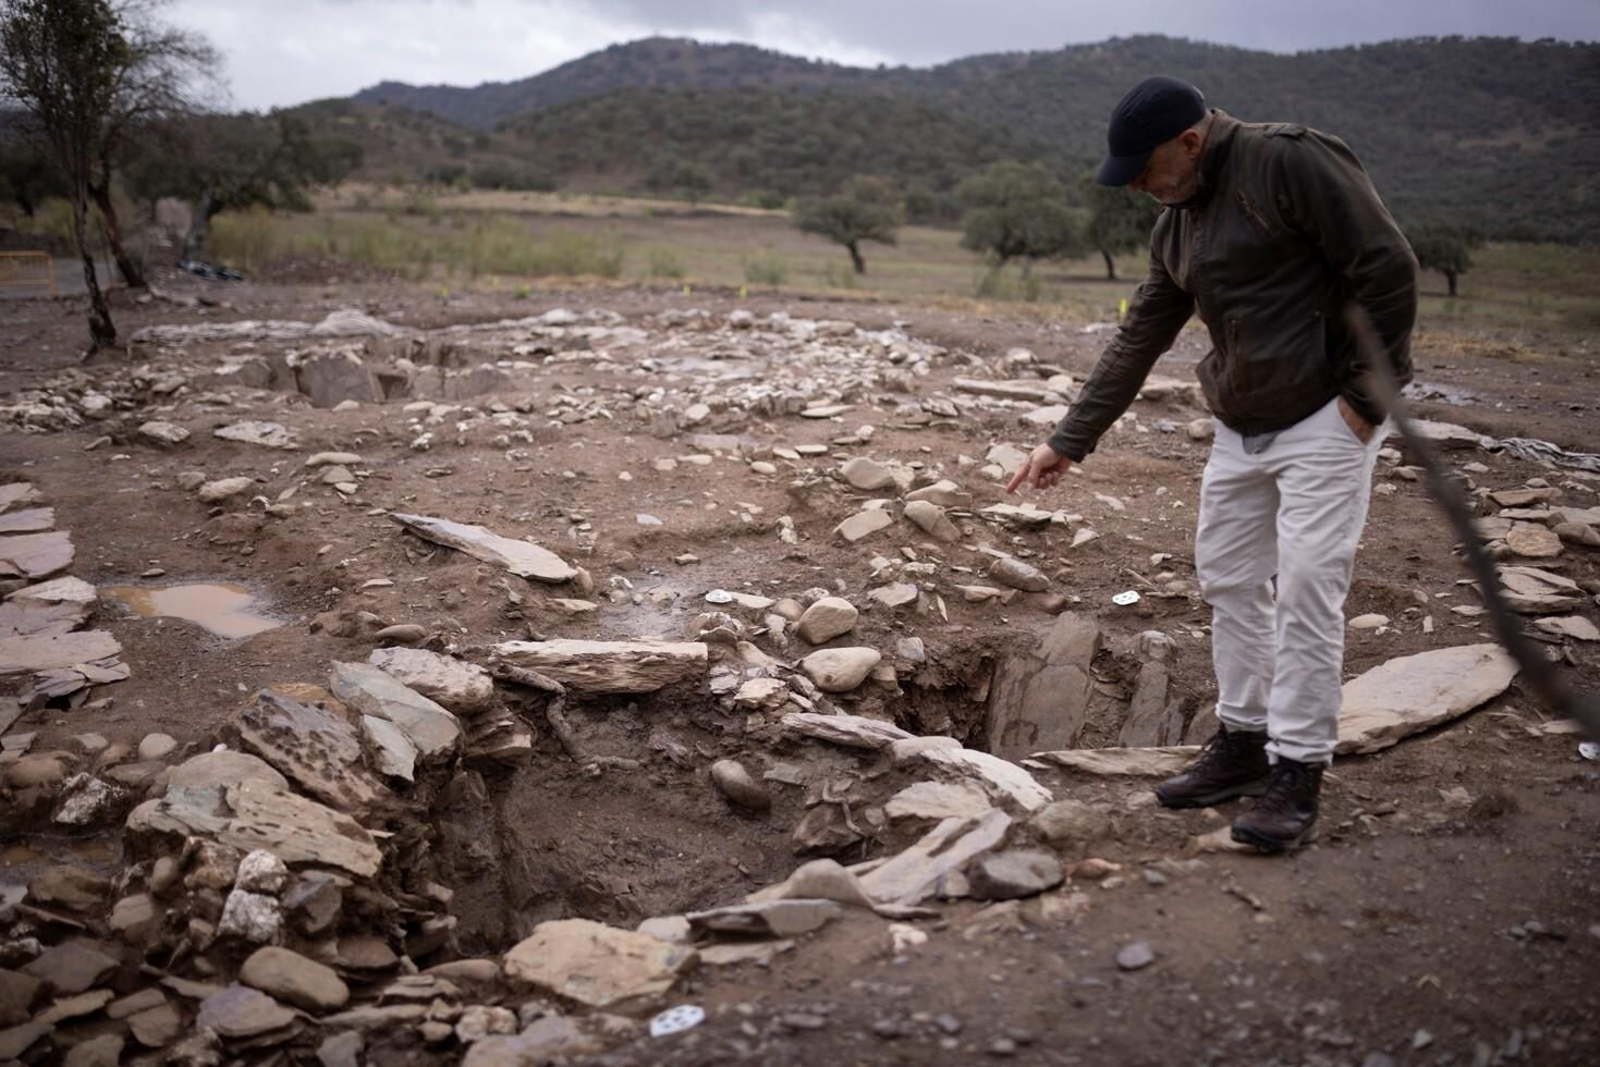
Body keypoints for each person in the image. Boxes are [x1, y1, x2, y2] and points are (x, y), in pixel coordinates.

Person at [1005, 76, 1418, 852]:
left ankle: (1297, 768)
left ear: (1189, 142)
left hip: (1326, 419)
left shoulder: (1287, 161)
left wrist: (1366, 399)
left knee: (1305, 589)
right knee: (1228, 579)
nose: (1133, 184)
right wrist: (1067, 440)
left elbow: (1388, 266)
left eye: (1142, 168)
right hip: (1240, 425)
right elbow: (1141, 335)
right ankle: (1243, 739)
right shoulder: (1178, 221)